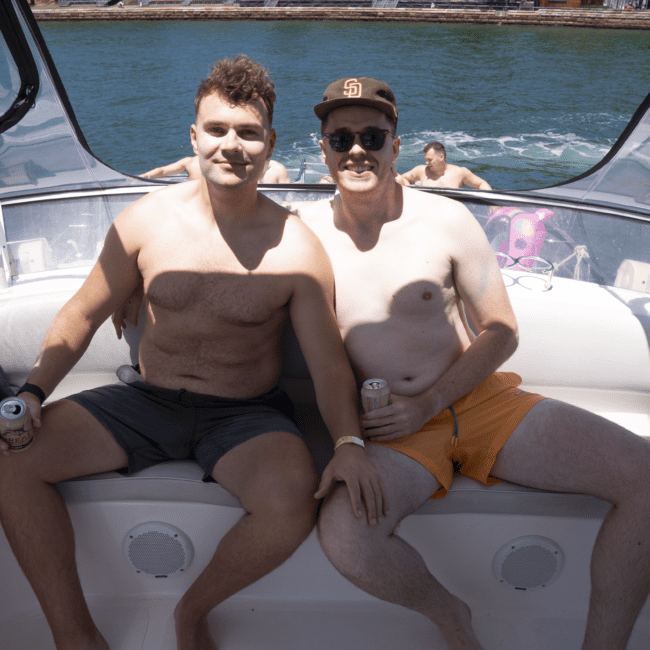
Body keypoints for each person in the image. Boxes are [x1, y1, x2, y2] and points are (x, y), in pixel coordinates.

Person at [0, 57, 383, 650]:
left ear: (270, 142)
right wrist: (32, 393)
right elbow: (81, 314)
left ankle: (192, 612)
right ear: (194, 137)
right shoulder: (145, 222)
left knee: (289, 501)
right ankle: (75, 637)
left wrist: (349, 445)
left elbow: (330, 365)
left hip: (246, 413)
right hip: (145, 399)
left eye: (248, 132)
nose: (232, 145)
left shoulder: (296, 249)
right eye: (217, 129)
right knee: (10, 465)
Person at [292, 76, 650, 650]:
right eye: (341, 139)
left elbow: (502, 331)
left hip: (477, 402)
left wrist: (430, 402)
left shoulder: (447, 219)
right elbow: (228, 246)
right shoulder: (302, 232)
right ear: (322, 148)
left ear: (396, 146)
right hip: (388, 429)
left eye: (372, 136)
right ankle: (453, 621)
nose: (356, 150)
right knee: (347, 538)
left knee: (644, 475)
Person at [401, 141, 492, 190]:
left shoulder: (459, 173)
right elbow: (400, 178)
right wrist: (410, 190)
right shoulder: (421, 171)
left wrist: (494, 210)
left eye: (430, 160)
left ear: (441, 157)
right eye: (426, 160)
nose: (427, 163)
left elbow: (481, 184)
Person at [143, 155, 291, 183]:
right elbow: (162, 171)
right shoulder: (189, 162)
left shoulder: (190, 162)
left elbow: (162, 171)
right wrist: (143, 177)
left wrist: (143, 177)